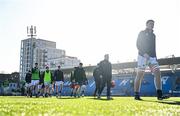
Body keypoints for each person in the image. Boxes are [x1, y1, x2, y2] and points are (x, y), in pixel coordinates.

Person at [134, 19, 169, 100]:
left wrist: (155, 57)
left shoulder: (153, 35)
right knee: (140, 74)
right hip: (142, 56)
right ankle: (136, 95)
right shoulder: (142, 33)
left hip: (152, 57)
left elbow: (154, 48)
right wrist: (143, 53)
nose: (152, 25)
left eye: (153, 24)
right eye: (150, 23)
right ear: (146, 24)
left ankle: (159, 95)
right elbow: (138, 44)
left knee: (157, 72)